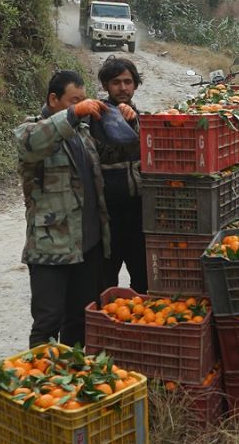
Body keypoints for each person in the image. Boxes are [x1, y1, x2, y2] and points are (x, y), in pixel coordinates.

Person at [13, 70, 111, 348]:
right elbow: (31, 144)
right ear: (53, 99)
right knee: (47, 323)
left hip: (86, 246)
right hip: (51, 248)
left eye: (82, 100)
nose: (79, 106)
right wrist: (73, 114)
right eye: (73, 101)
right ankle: (43, 384)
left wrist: (126, 113)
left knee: (80, 320)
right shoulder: (31, 131)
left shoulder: (82, 132)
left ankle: (73, 379)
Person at [92, 57, 147, 294]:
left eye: (128, 82)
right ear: (105, 85)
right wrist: (118, 121)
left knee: (143, 279)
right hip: (107, 214)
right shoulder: (94, 118)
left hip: (139, 211)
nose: (123, 88)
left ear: (135, 85)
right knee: (104, 280)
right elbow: (104, 152)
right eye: (116, 82)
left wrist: (134, 122)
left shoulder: (143, 118)